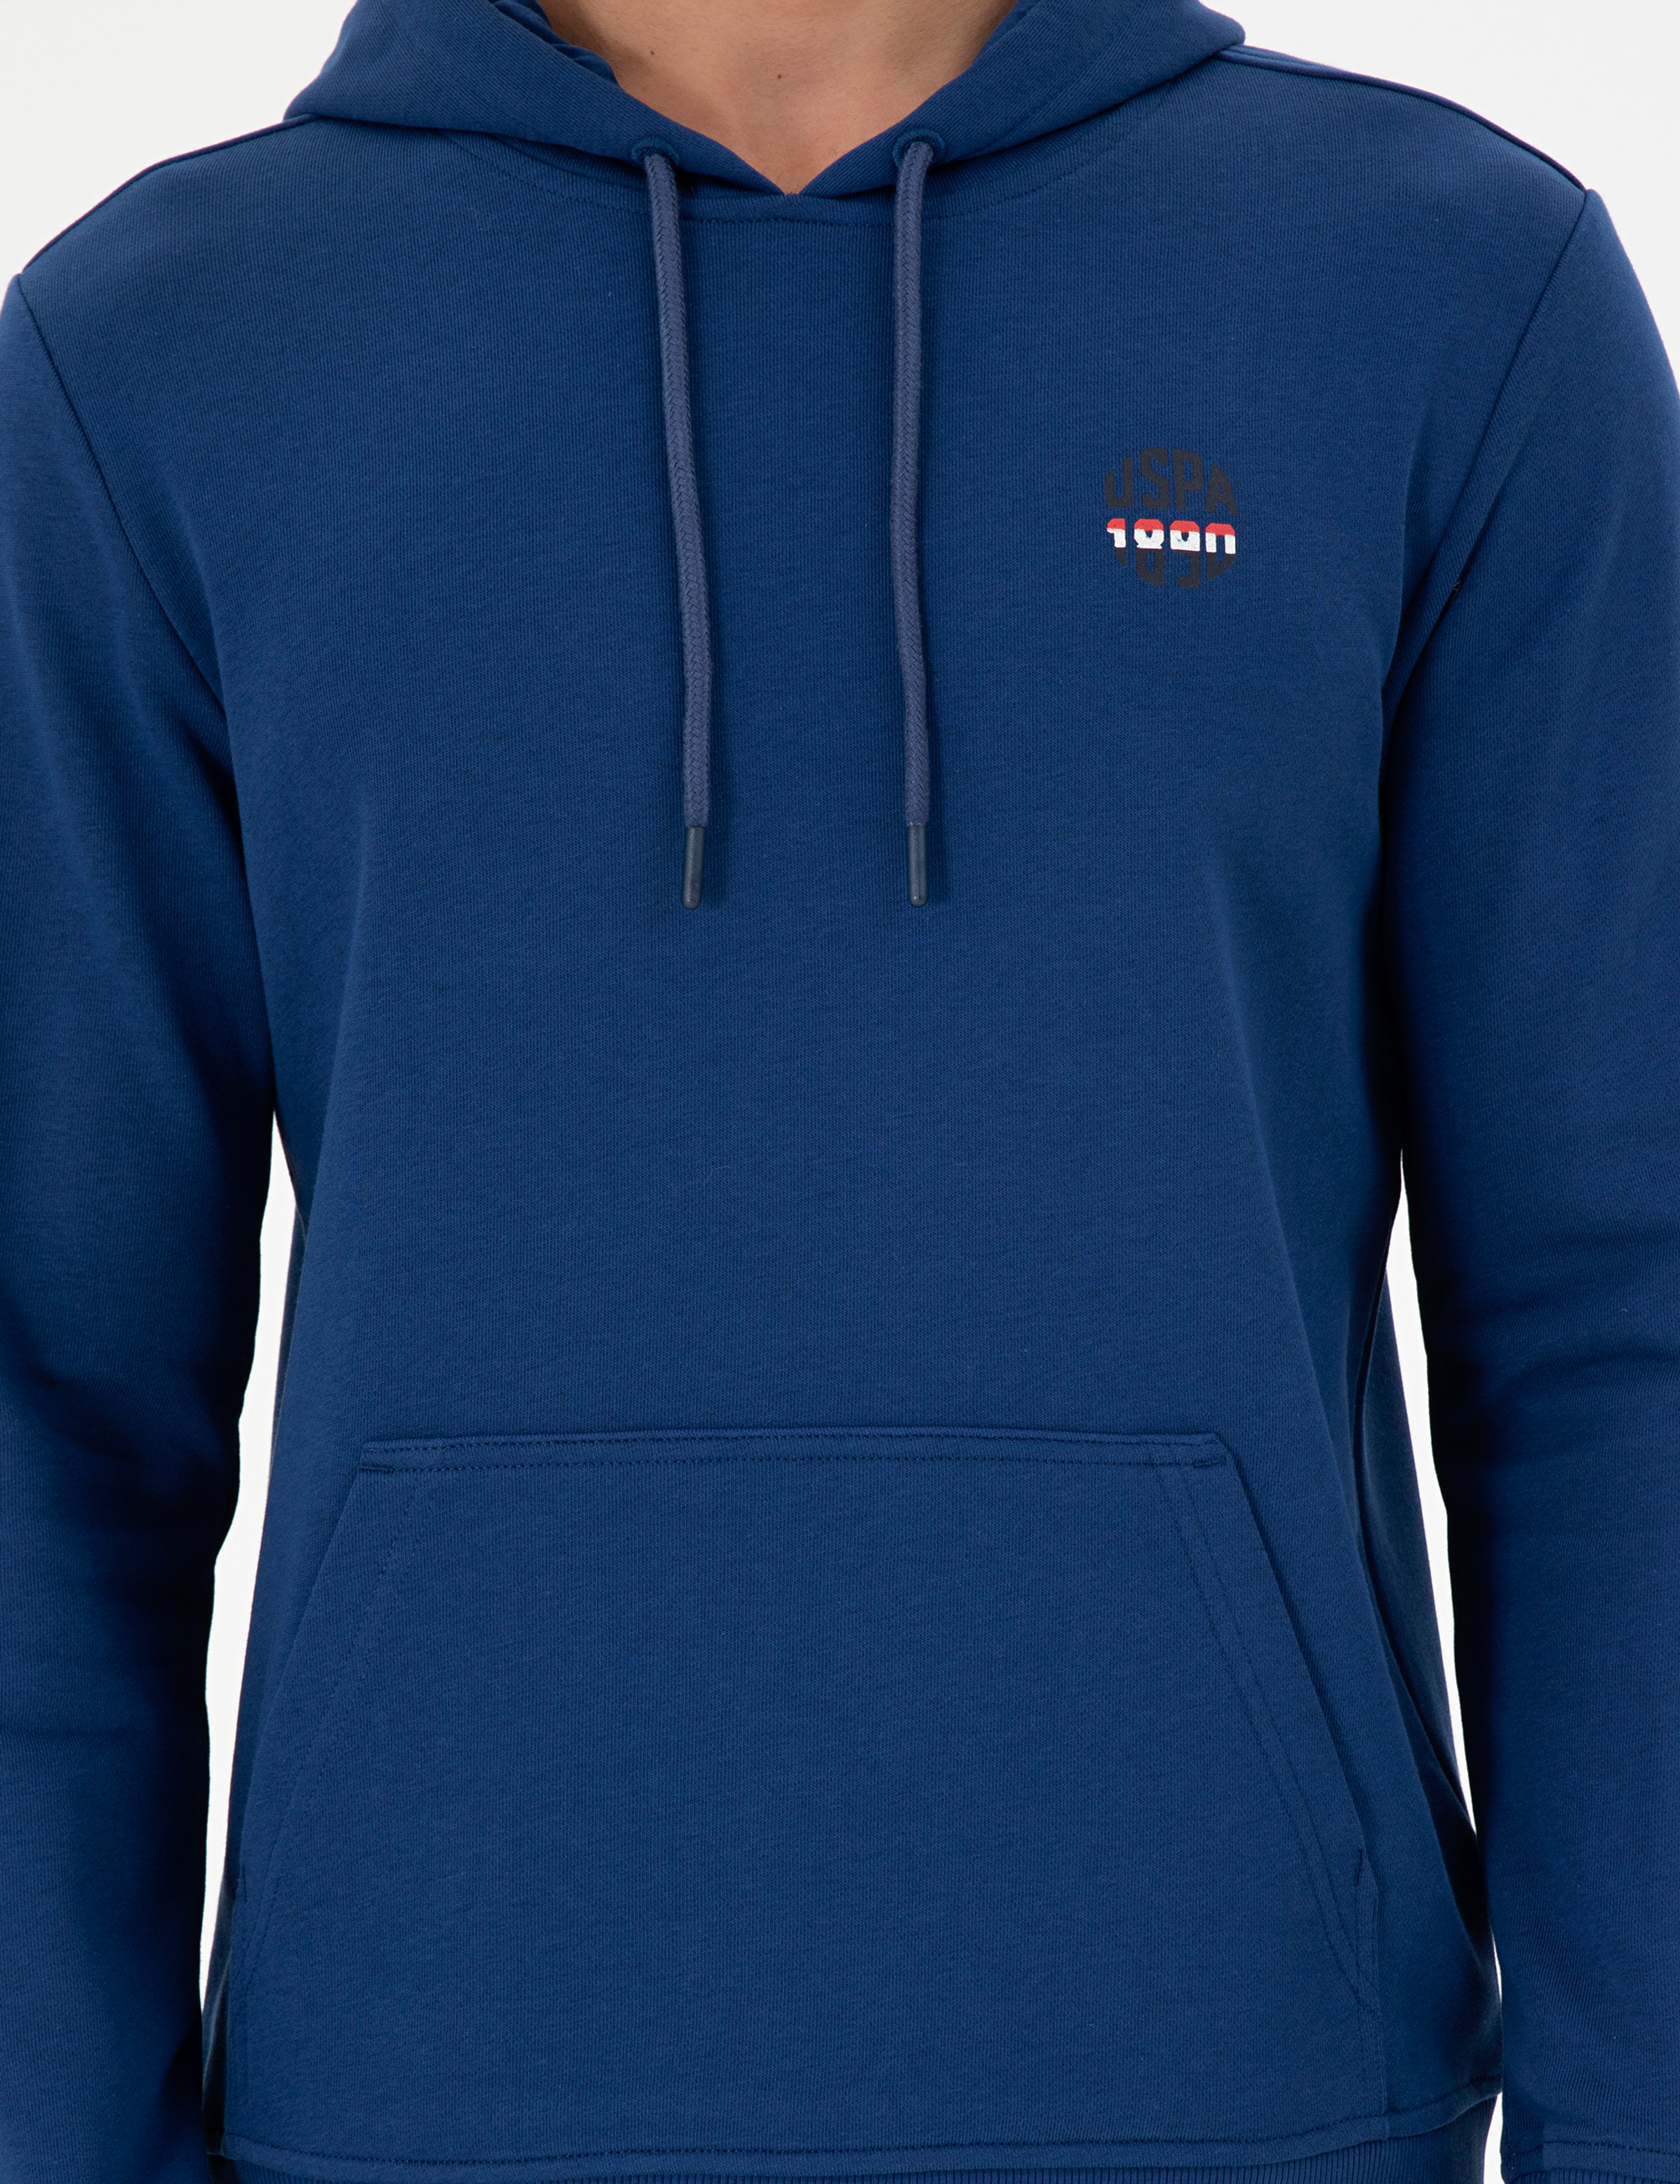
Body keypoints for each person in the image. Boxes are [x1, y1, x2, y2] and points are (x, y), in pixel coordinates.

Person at [0, 0, 1676, 2181]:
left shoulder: (1444, 288)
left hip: (1249, 2089)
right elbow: (50, 1397)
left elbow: (1614, 1328)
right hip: (422, 2088)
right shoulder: (163, 350)